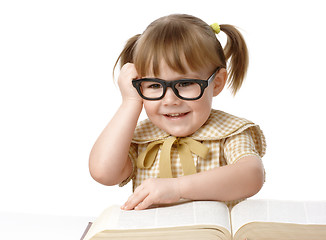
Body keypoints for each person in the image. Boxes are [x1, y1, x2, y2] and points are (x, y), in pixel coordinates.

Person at [89, 14, 266, 211]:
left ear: (216, 83)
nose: (171, 100)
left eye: (185, 83)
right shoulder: (141, 138)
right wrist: (130, 102)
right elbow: (103, 172)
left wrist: (178, 188)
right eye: (154, 85)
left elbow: (252, 175)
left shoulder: (230, 132)